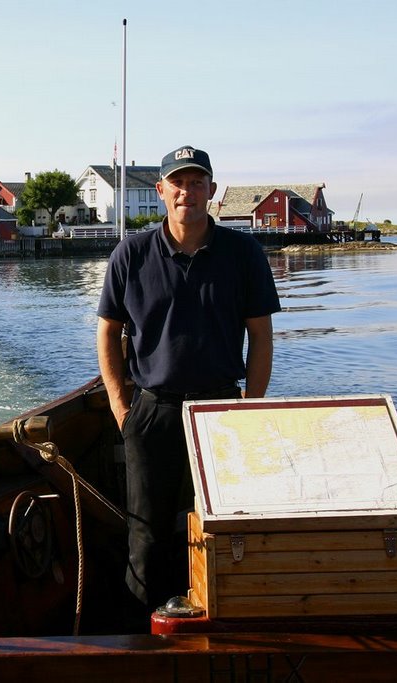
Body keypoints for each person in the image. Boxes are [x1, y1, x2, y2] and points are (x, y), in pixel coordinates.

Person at [96, 145, 281, 615]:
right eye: (178, 183)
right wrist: (122, 408)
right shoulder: (131, 254)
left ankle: (217, 619)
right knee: (146, 531)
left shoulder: (244, 254)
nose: (187, 192)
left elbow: (261, 338)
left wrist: (250, 409)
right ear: (161, 192)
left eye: (197, 182)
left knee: (221, 525)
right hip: (152, 409)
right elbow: (108, 333)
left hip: (221, 410)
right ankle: (142, 637)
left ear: (212, 192)